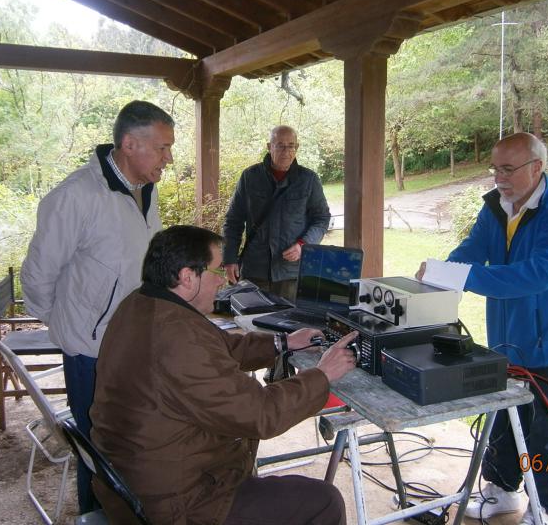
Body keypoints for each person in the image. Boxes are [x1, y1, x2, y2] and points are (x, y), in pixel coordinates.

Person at [90, 225, 358, 524]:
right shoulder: (178, 337)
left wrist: (283, 342)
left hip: (137, 478)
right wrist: (322, 374)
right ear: (187, 277)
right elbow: (261, 414)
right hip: (176, 503)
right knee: (324, 501)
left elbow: (218, 347)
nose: (222, 281)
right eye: (216, 271)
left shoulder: (141, 304)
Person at [415, 133, 548, 525]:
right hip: (507, 337)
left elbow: (537, 275)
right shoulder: (495, 207)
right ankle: (501, 491)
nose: (498, 178)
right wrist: (444, 275)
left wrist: (463, 277)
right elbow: (472, 251)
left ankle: (542, 509)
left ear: (537, 167)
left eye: (508, 169)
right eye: (494, 169)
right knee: (505, 418)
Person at [20, 100, 174, 513]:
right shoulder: (76, 196)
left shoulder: (145, 189)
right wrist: (70, 327)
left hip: (136, 344)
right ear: (129, 144)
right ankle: (93, 517)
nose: (169, 158)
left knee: (132, 444)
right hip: (92, 353)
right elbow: (37, 276)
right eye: (162, 148)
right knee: (97, 453)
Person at [223, 125, 330, 300]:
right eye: (280, 145)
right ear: (269, 146)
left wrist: (303, 244)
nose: (286, 151)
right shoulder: (250, 177)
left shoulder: (308, 180)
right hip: (255, 270)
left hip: (292, 273)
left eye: (291, 145)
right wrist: (229, 259)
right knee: (252, 316)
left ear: (297, 147)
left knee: (291, 318)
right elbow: (233, 221)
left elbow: (322, 219)